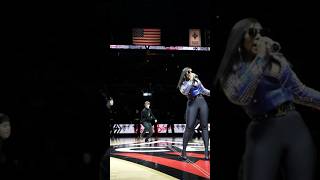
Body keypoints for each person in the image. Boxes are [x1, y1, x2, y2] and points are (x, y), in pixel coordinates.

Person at [214, 18, 320, 180]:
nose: (258, 36)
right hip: (263, 130)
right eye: (252, 32)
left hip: (295, 125)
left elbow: (300, 92)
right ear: (239, 39)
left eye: (261, 32)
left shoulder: (276, 60)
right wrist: (261, 59)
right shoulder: (231, 71)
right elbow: (240, 97)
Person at [177, 67, 210, 160]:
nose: (191, 73)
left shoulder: (197, 80)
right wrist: (191, 80)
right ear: (185, 74)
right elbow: (185, 91)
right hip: (192, 103)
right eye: (189, 72)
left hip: (202, 101)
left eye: (191, 71)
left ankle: (206, 153)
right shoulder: (183, 84)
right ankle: (183, 152)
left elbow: (203, 90)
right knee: (189, 127)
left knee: (204, 127)